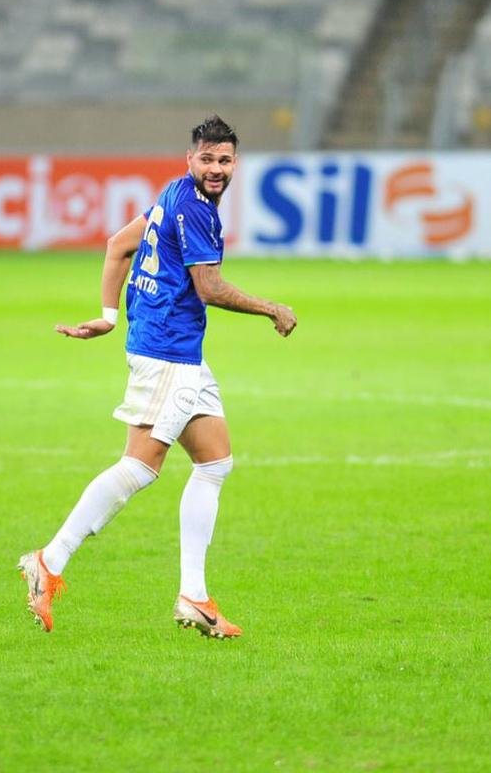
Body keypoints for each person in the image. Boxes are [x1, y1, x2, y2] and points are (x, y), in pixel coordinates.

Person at [18, 115, 297, 639]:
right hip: (168, 352)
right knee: (141, 467)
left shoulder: (170, 193)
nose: (216, 169)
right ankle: (48, 561)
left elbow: (116, 245)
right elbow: (209, 287)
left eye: (225, 160)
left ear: (235, 164)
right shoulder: (195, 208)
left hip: (176, 349)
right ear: (190, 159)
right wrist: (270, 307)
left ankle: (193, 594)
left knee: (215, 461)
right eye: (207, 159)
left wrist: (107, 314)